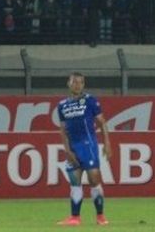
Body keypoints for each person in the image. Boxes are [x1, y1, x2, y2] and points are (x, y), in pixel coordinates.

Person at [57, 72, 111, 226]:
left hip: (88, 145)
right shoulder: (62, 105)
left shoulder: (90, 100)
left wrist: (107, 143)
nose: (77, 85)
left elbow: (102, 122)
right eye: (74, 82)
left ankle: (100, 216)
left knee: (94, 179)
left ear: (83, 85)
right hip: (73, 148)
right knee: (75, 181)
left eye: (80, 82)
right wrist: (67, 151)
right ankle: (75, 217)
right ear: (69, 83)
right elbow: (63, 130)